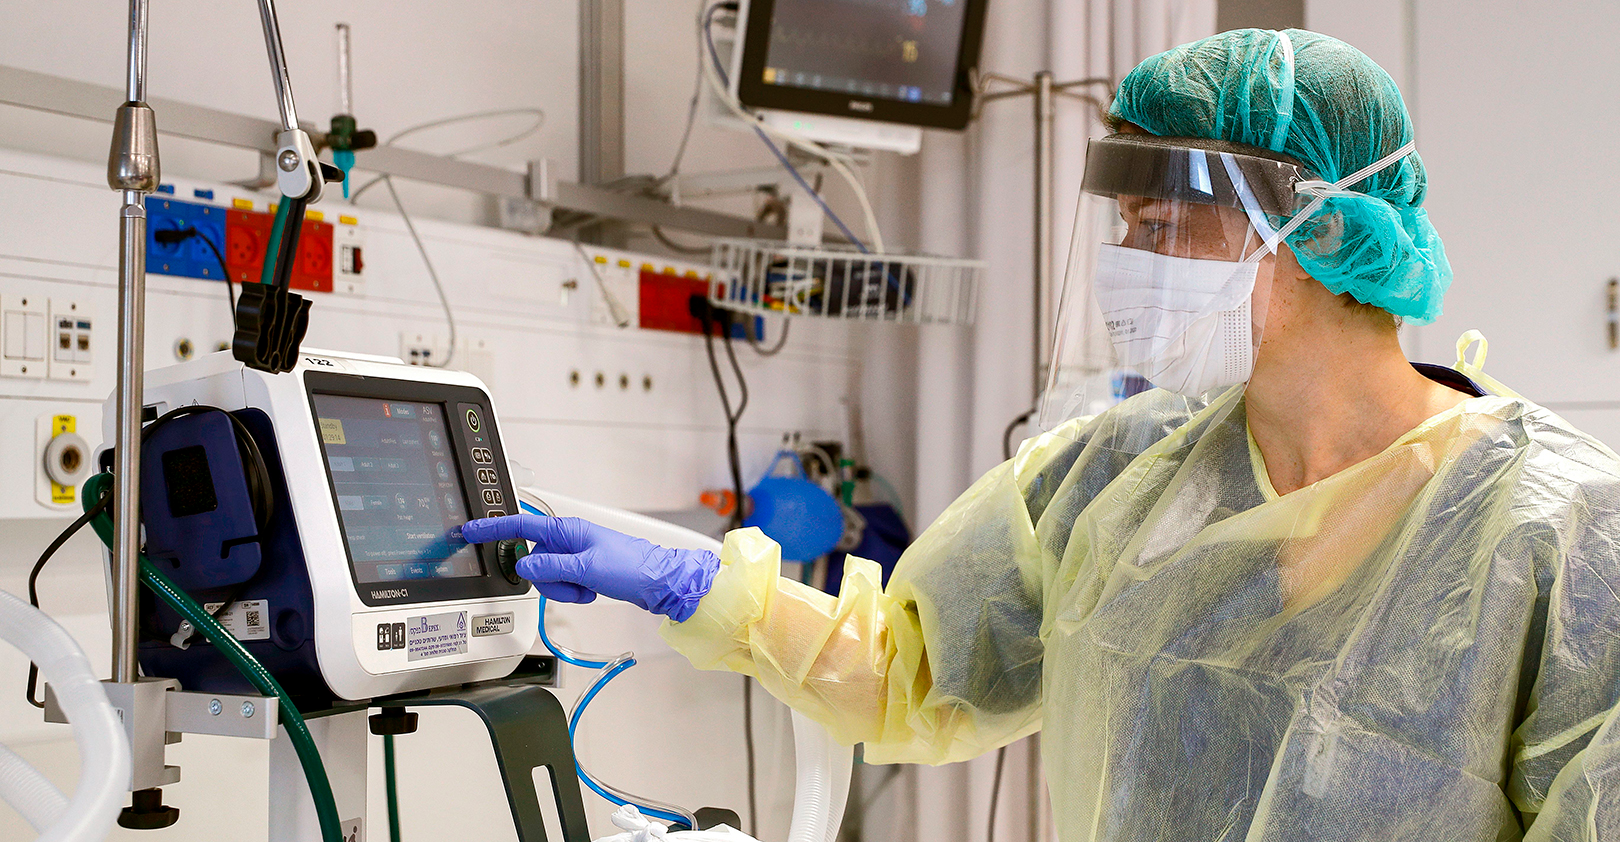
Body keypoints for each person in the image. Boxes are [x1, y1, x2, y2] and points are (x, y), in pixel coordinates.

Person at [464, 28, 1620, 841]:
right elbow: (918, 676)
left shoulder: (1558, 535)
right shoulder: (1121, 474)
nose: (1130, 267)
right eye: (1121, 228)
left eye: (1162, 224)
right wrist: (698, 586)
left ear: (1315, 223)